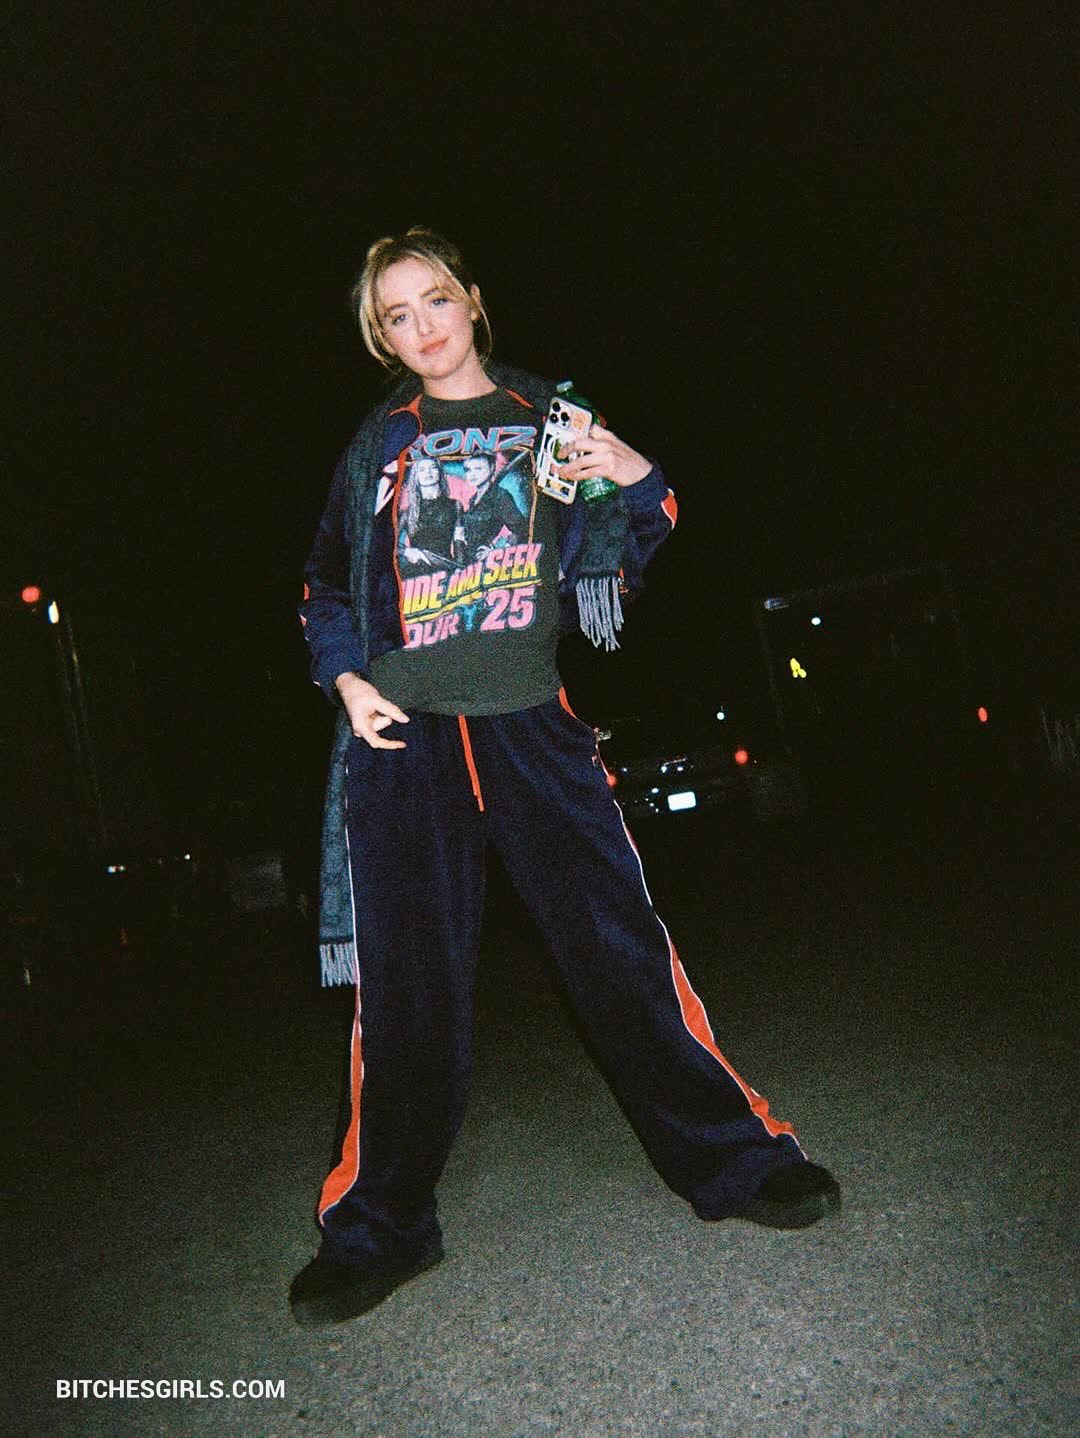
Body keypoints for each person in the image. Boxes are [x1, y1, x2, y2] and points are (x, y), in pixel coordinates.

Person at [292, 226, 839, 1328]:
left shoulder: (549, 415)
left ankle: (737, 1159)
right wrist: (348, 684)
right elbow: (325, 589)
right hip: (404, 743)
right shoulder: (377, 447)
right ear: (381, 337)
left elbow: (640, 525)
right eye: (395, 315)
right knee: (404, 996)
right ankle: (378, 1227)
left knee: (620, 951)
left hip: (532, 727)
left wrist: (631, 469)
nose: (421, 326)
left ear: (472, 299)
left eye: (435, 299)